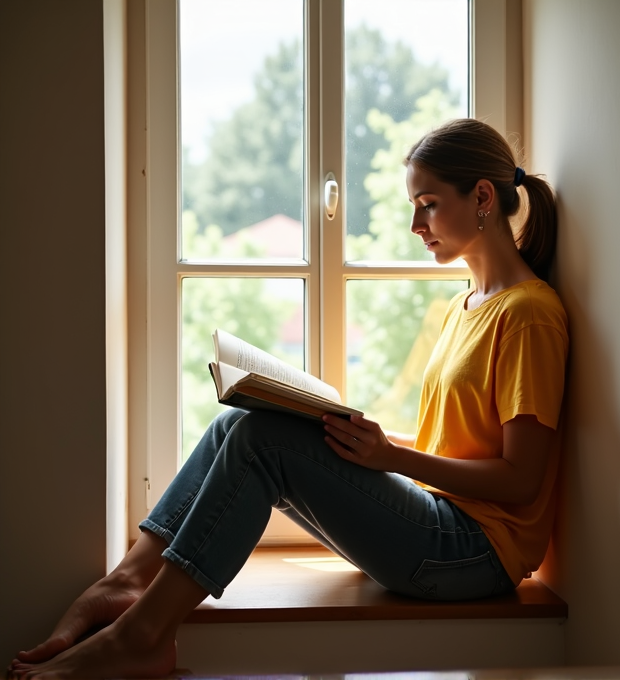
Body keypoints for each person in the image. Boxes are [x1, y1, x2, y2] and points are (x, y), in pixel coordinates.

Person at [8, 118, 568, 679]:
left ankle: (144, 635)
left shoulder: (528, 315)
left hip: (471, 554)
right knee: (239, 425)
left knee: (262, 442)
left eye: (427, 203)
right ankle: (127, 581)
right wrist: (360, 436)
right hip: (435, 524)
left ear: (483, 198)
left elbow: (521, 479)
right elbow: (459, 443)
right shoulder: (465, 305)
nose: (414, 224)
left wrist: (391, 458)